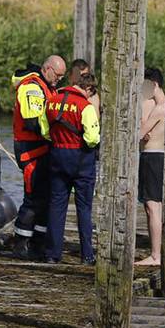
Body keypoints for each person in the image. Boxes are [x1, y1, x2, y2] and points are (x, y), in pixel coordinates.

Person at [8, 55, 67, 259]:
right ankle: (20, 244)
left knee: (46, 197)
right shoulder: (32, 87)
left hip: (45, 148)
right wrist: (60, 134)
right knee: (33, 197)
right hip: (31, 149)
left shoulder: (48, 86)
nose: (59, 79)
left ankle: (38, 242)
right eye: (57, 75)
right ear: (47, 68)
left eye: (62, 77)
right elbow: (34, 121)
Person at [41, 71, 100, 265]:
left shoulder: (52, 100)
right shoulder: (86, 106)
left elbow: (44, 130)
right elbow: (92, 139)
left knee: (57, 205)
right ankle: (87, 255)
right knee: (84, 208)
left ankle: (52, 254)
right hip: (81, 159)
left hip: (57, 155)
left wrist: (59, 141)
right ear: (88, 88)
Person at [136, 68, 165, 266]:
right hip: (154, 155)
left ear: (153, 84)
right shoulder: (162, 105)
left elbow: (139, 133)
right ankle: (156, 252)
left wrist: (141, 127)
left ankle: (156, 255)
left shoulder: (160, 107)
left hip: (153, 157)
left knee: (153, 205)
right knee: (151, 206)